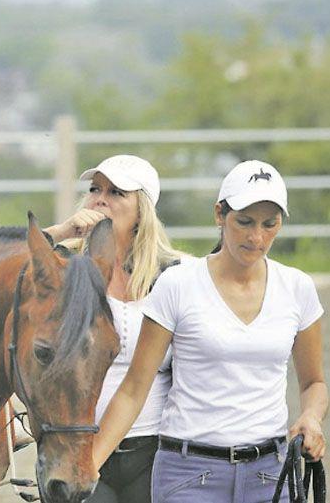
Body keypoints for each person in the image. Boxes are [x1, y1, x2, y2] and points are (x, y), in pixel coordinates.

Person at [93, 160, 327, 502]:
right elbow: (134, 389)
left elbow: (313, 383)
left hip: (268, 474)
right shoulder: (178, 285)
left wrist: (311, 416)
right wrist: (91, 464)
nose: (256, 237)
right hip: (189, 475)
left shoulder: (297, 288)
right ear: (220, 214)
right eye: (244, 222)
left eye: (269, 224)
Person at [44, 154, 183, 503]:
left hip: (154, 447)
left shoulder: (176, 274)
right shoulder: (63, 267)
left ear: (143, 210)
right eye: (95, 189)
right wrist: (61, 232)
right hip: (77, 447)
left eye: (117, 192)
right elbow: (6, 263)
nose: (100, 199)